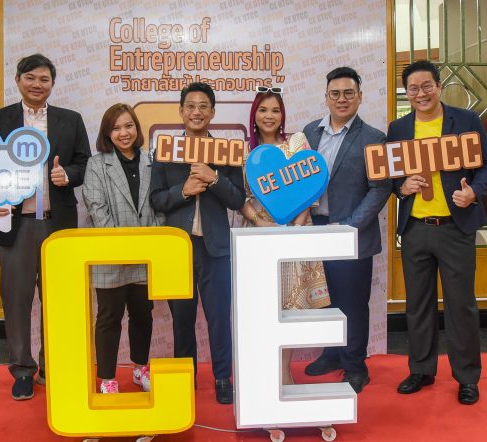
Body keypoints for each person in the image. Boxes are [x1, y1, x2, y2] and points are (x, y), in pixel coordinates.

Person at [0, 54, 91, 400]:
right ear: (17, 80)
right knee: (16, 301)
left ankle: (52, 366)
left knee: (58, 300)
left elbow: (84, 163)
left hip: (57, 224)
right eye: (30, 77)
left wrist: (68, 175)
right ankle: (21, 369)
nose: (37, 84)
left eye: (44, 79)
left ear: (52, 84)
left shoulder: (70, 120)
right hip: (15, 224)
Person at [389, 60, 487, 405]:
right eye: (413, 88)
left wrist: (474, 192)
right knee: (417, 305)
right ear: (407, 93)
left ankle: (467, 377)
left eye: (426, 86)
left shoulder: (465, 121)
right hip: (415, 229)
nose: (420, 94)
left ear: (438, 86)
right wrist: (401, 187)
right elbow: (390, 175)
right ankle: (421, 369)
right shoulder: (399, 128)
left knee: (461, 306)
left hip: (455, 228)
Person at [150, 82, 245, 404]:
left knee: (219, 317)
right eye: (190, 106)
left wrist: (213, 178)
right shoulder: (165, 151)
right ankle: (185, 378)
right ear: (181, 111)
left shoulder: (227, 153)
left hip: (215, 249)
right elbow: (156, 199)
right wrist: (184, 191)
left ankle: (222, 377)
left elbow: (237, 199)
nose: (196, 112)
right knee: (182, 319)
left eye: (203, 106)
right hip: (178, 249)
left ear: (213, 112)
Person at [302, 67, 391, 393]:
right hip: (315, 229)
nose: (342, 99)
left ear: (360, 97)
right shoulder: (309, 133)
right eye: (335, 93)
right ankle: (331, 354)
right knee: (323, 298)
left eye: (348, 93)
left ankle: (355, 364)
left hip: (352, 233)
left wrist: (350, 226)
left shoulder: (374, 138)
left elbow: (380, 188)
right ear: (326, 97)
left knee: (352, 303)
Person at [239, 87, 330, 385]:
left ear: (283, 115)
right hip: (257, 237)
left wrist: (294, 228)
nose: (269, 116)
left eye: (275, 110)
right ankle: (260, 373)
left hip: (295, 235)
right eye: (263, 110)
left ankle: (283, 371)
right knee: (261, 307)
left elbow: (311, 186)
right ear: (254, 115)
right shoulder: (243, 151)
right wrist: (262, 225)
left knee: (288, 309)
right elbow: (237, 196)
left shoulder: (297, 142)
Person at [82, 104, 163, 394]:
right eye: (116, 128)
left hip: (145, 255)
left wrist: (150, 238)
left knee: (143, 314)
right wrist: (121, 244)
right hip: (110, 255)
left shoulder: (152, 160)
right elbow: (96, 208)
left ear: (137, 129)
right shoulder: (96, 164)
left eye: (129, 126)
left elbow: (160, 204)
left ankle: (140, 369)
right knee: (108, 318)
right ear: (107, 133)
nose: (124, 133)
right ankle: (107, 378)